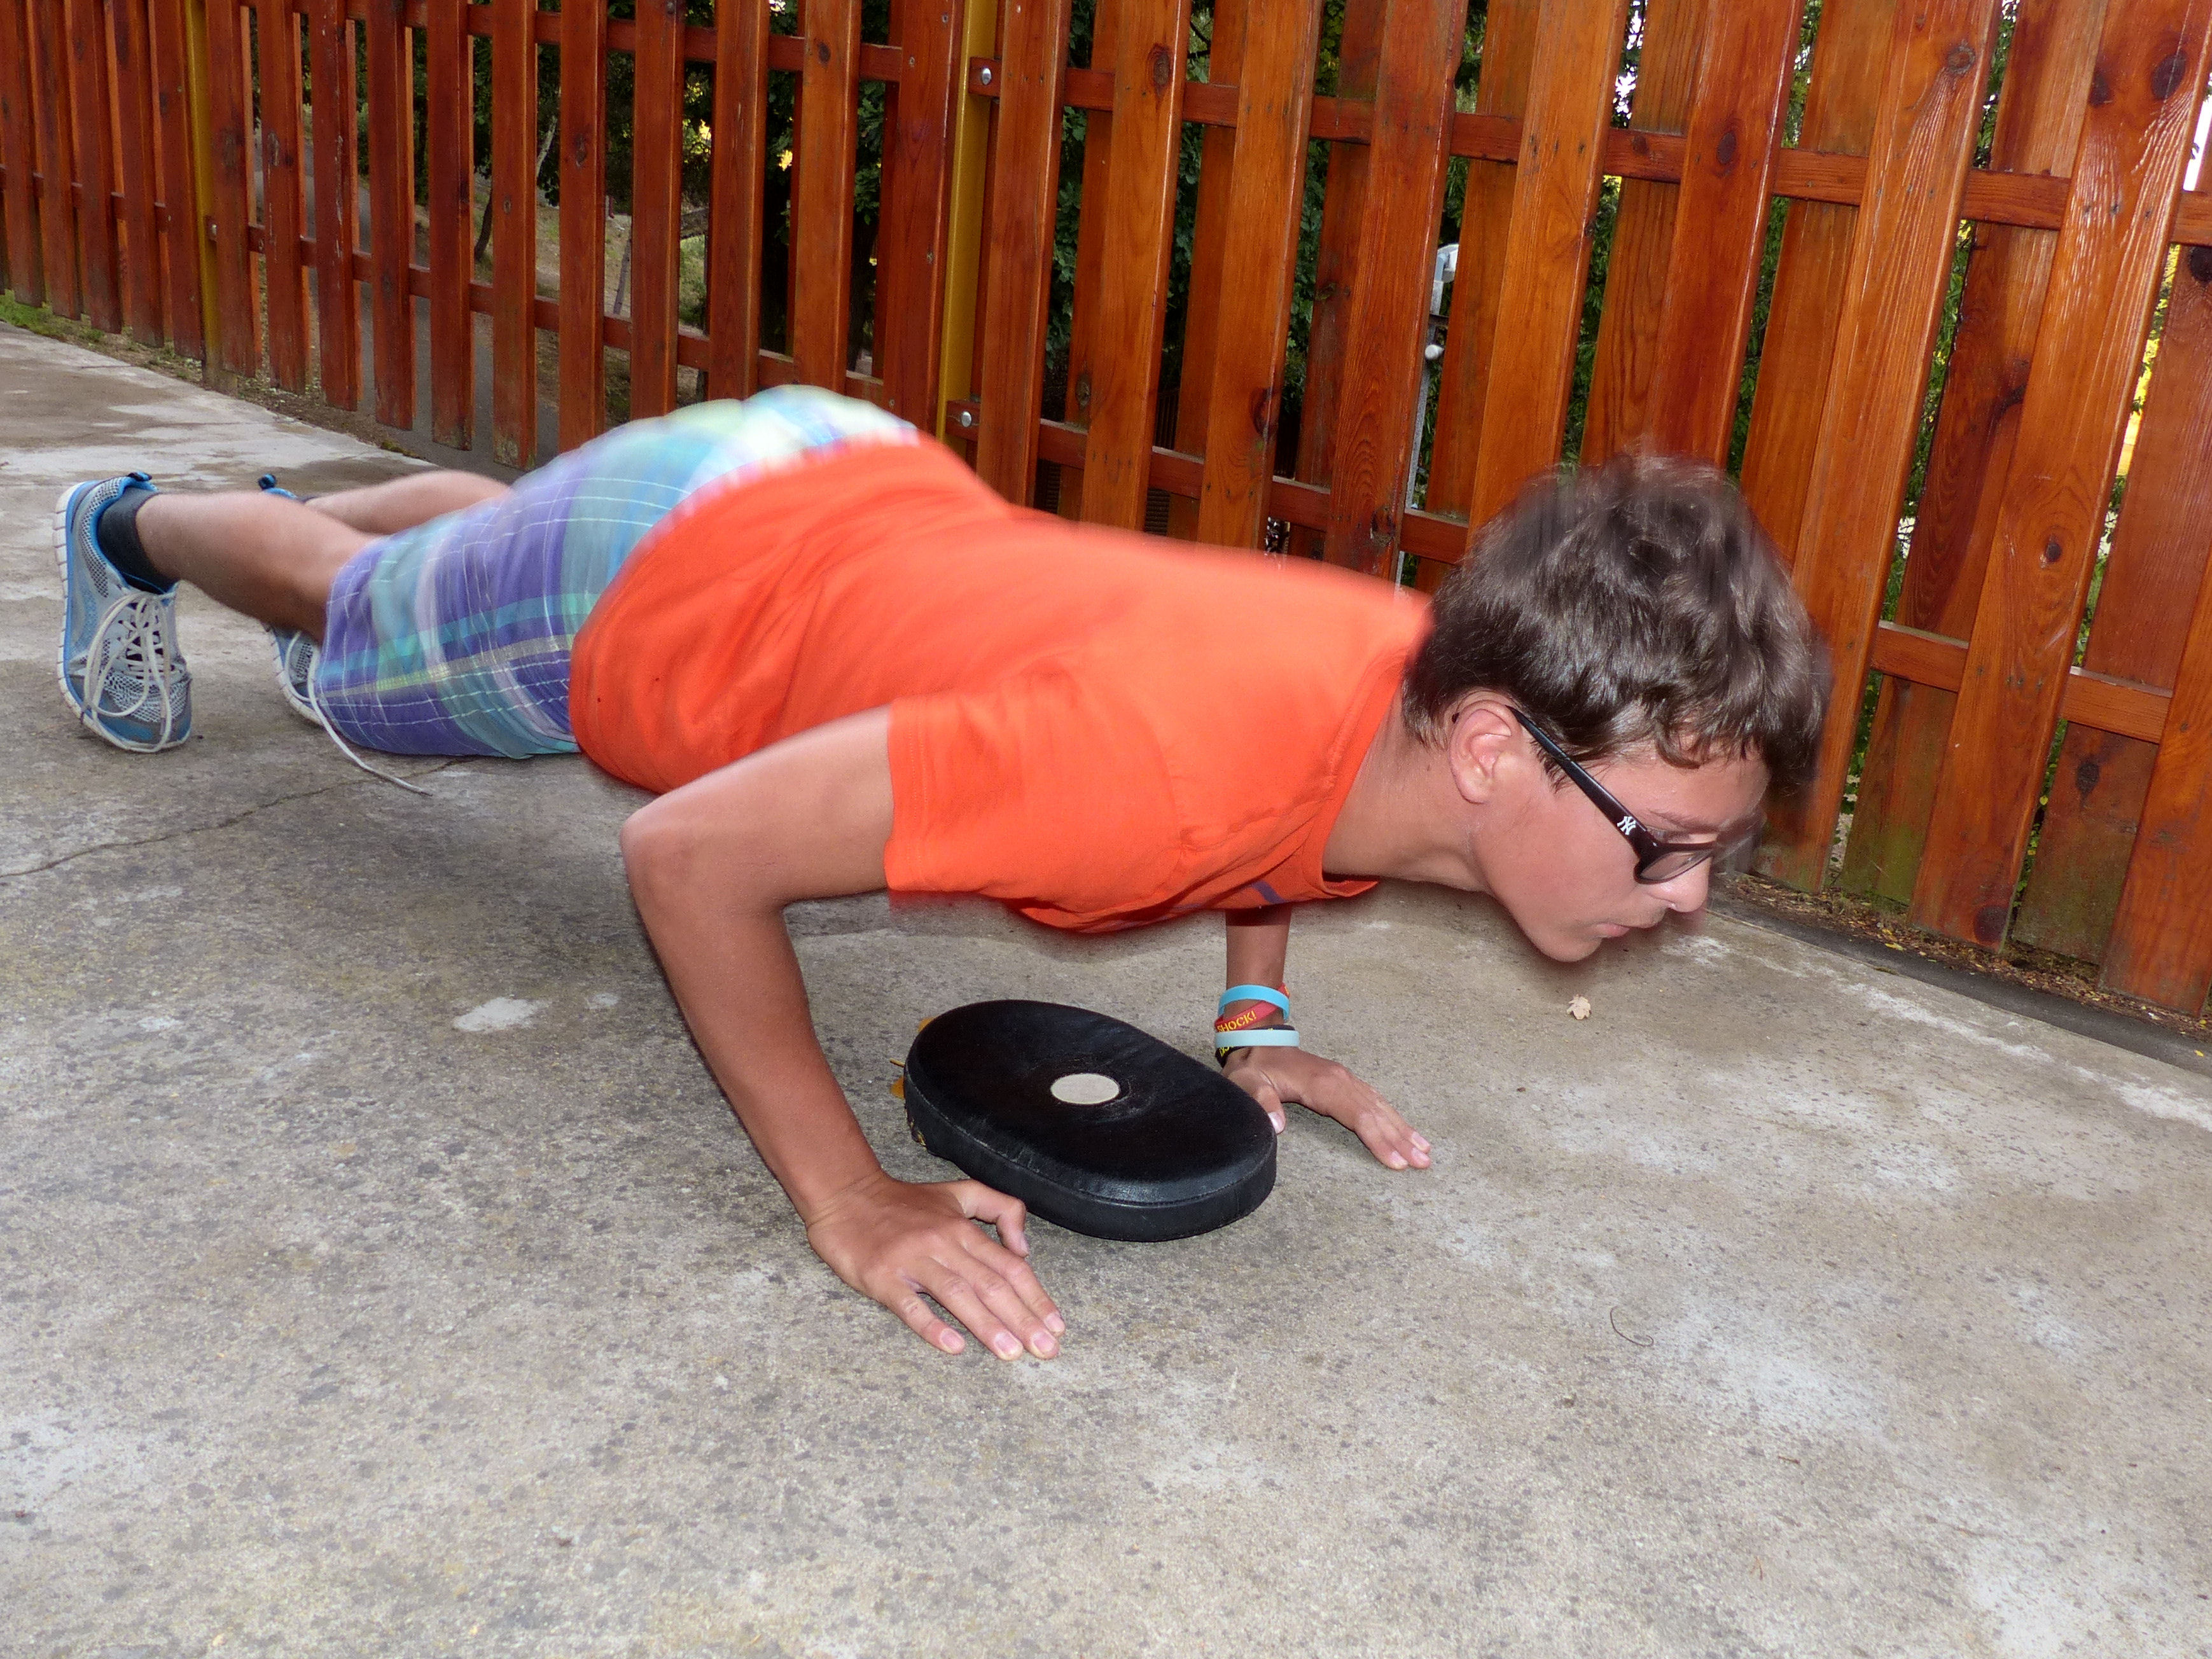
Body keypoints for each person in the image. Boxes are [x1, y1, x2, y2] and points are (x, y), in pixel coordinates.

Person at [55, 385, 1828, 1361]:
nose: (1686, 897)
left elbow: (1288, 801)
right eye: (1667, 847)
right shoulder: (1134, 772)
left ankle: (474, 523)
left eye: (1716, 854)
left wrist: (1256, 1017)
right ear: (1501, 750)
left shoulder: (1419, 683)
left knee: (477, 545)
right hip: (661, 583)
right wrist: (847, 1198)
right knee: (349, 626)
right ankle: (136, 524)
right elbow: (686, 854)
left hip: (834, 478)